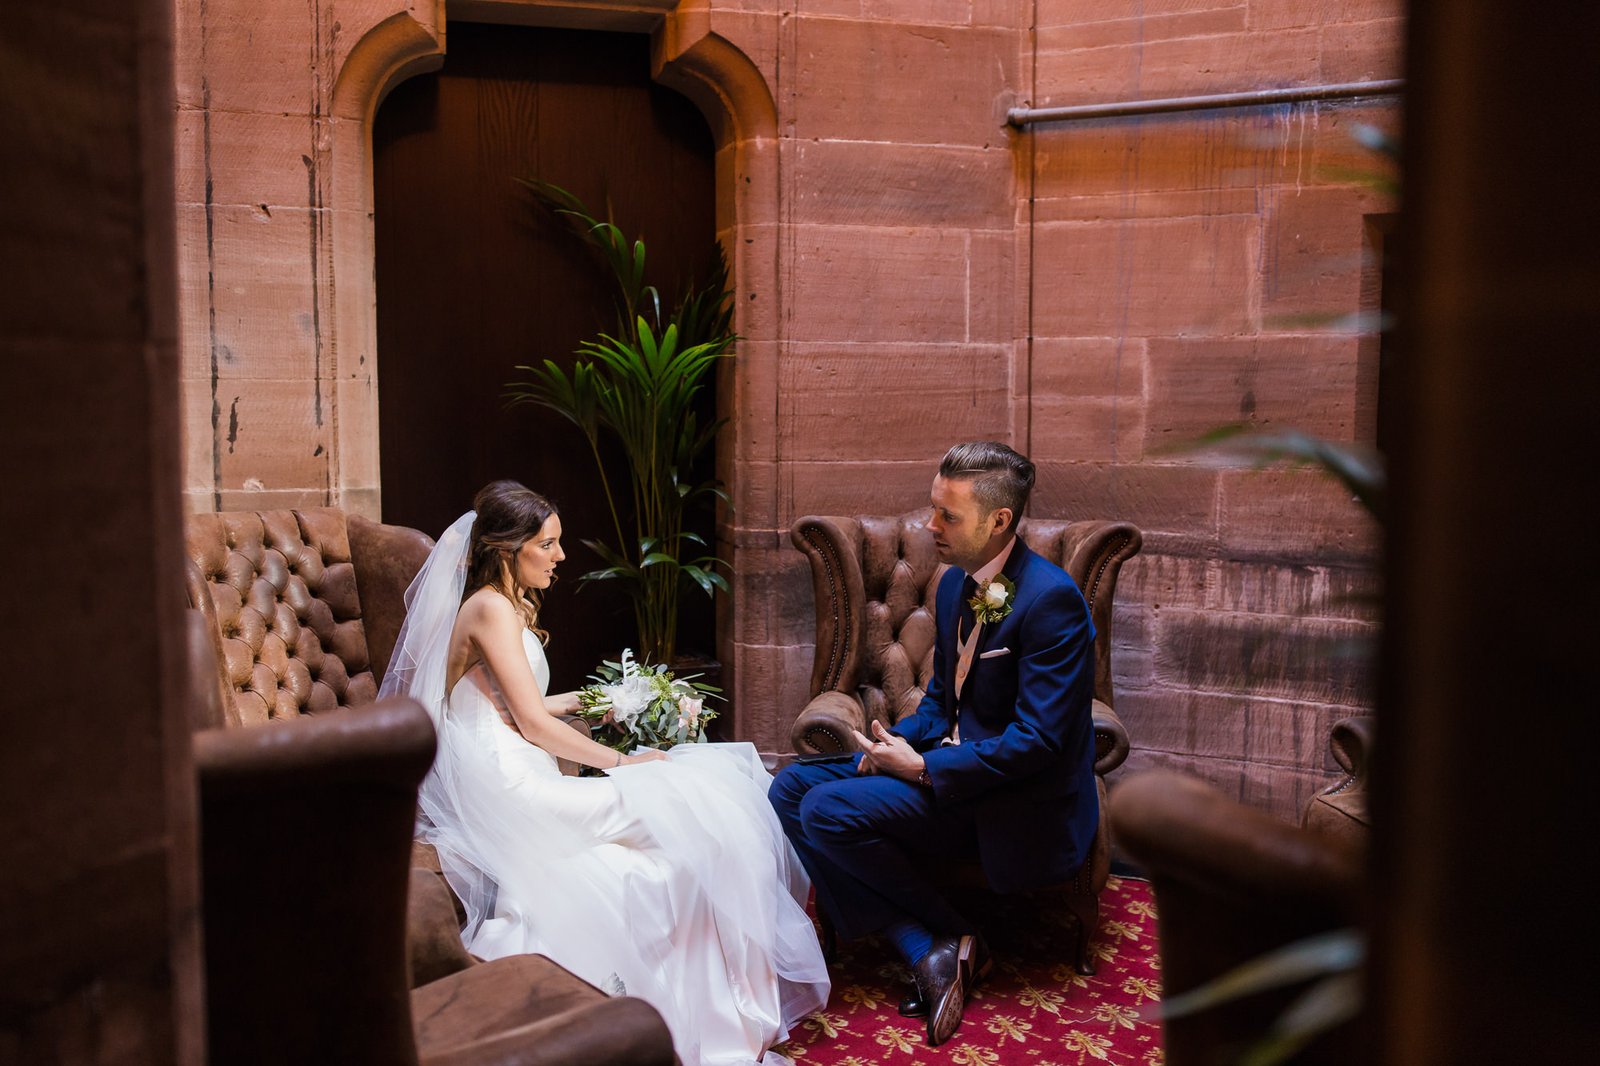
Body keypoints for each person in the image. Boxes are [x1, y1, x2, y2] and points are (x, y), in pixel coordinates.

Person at [380, 480, 829, 1066]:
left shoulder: (501, 602)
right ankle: (720, 1008)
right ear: (508, 548)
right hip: (507, 781)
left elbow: (525, 705)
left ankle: (709, 1003)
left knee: (685, 809)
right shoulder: (489, 606)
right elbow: (534, 725)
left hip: (517, 759)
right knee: (691, 789)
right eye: (548, 543)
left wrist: (610, 701)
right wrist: (623, 762)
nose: (561, 555)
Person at [768, 441, 1098, 1047]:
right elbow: (944, 703)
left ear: (1000, 520)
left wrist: (921, 768)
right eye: (933, 508)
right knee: (789, 788)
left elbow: (1039, 742)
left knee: (825, 810)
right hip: (946, 771)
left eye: (948, 515)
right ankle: (939, 942)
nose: (930, 524)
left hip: (1012, 801)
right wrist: (894, 741)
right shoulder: (953, 586)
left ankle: (941, 937)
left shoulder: (1053, 602)